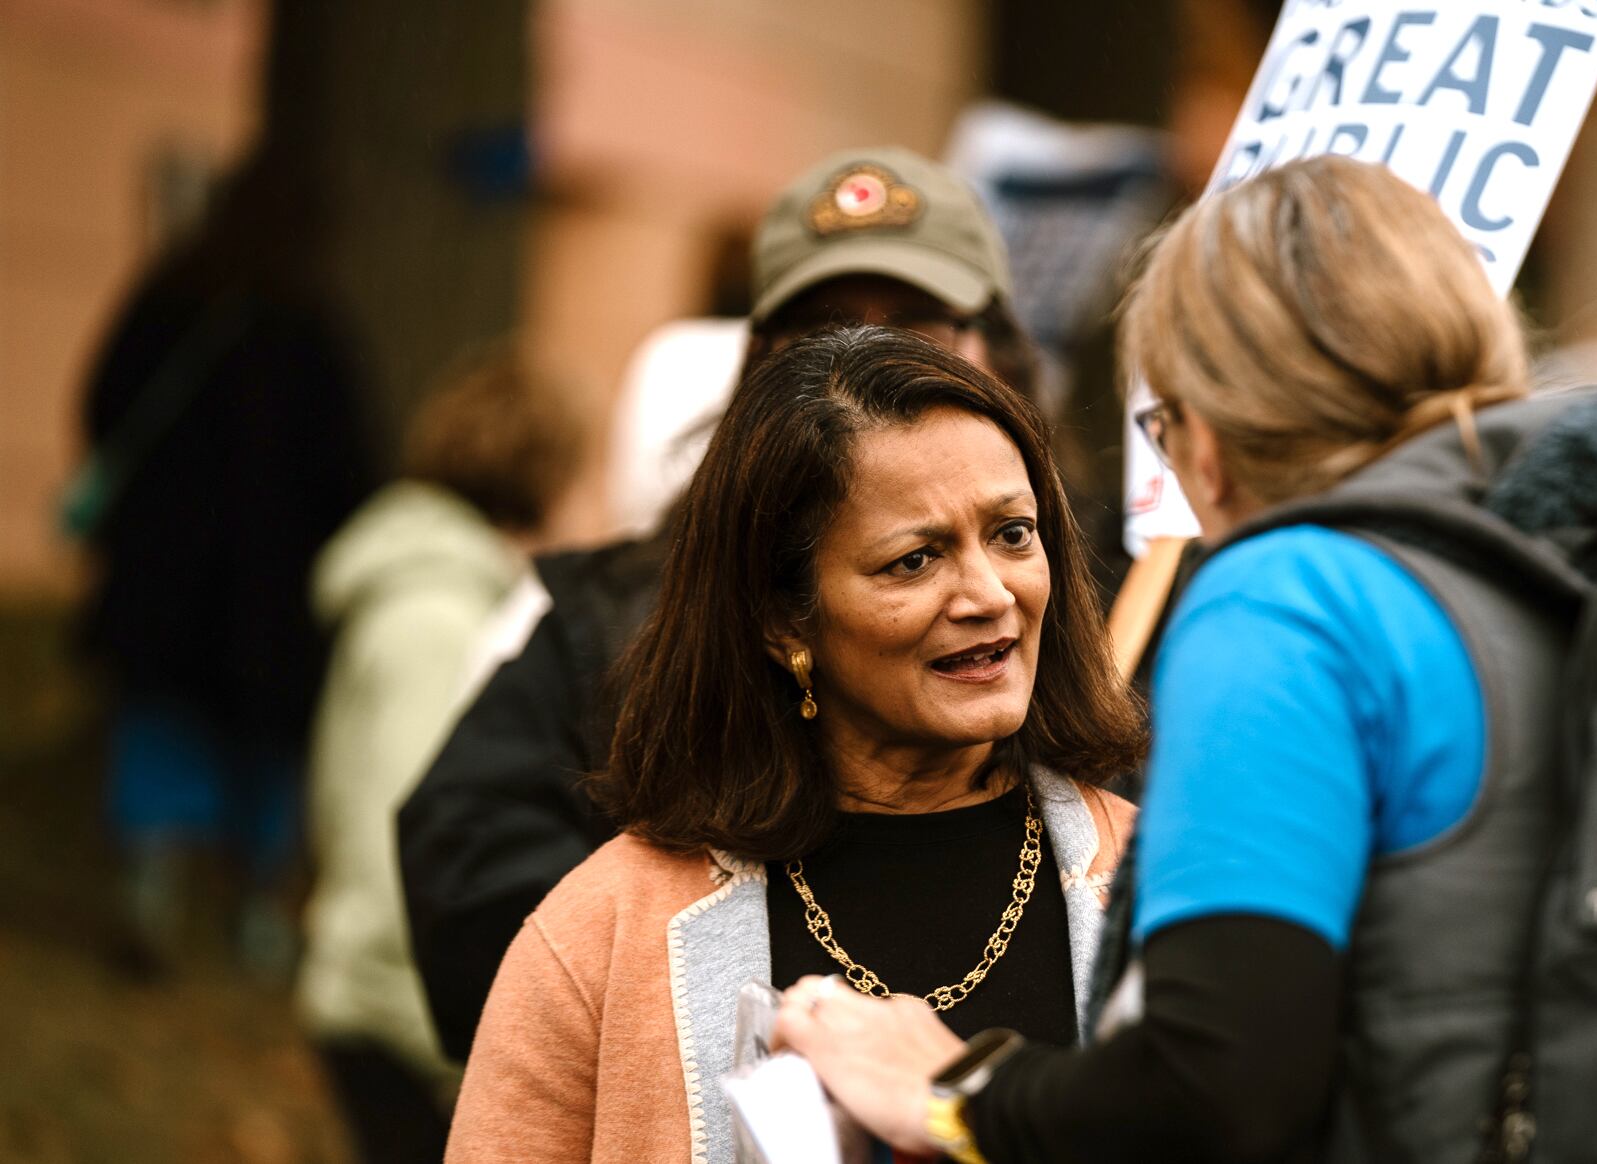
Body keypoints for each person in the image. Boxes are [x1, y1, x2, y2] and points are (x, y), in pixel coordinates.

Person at [774, 156, 1597, 1162]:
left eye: (1163, 427)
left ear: (1211, 432)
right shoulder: (1591, 574)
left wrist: (956, 1093)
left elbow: (1219, 1084)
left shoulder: (1287, 602)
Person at [398, 146, 1051, 1063]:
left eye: (917, 324)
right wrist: (728, 997)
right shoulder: (615, 615)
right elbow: (469, 891)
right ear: (755, 366)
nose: (870, 358)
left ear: (998, 352)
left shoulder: (1099, 601)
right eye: (823, 329)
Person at [445, 328, 1143, 1163]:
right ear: (782, 621)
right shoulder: (601, 936)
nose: (990, 594)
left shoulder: (1164, 886)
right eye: (914, 560)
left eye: (1012, 534)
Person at [73, 144, 377, 978]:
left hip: (162, 582)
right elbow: (348, 470)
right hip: (269, 600)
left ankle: (150, 889)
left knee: (159, 733)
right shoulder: (310, 329)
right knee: (266, 755)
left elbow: (103, 406)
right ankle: (256, 913)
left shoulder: (168, 300)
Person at [297, 347, 582, 1163]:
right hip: (393, 1015)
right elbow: (402, 836)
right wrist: (453, 1048)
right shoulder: (437, 620)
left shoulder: (448, 597)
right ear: (539, 476)